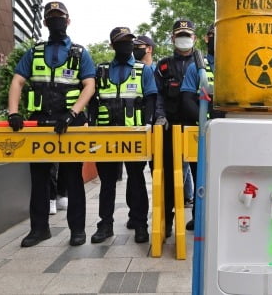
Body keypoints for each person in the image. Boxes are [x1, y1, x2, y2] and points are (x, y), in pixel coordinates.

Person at [7, 1, 96, 247]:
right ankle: (39, 229)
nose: (56, 20)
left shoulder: (79, 53)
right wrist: (14, 113)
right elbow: (17, 82)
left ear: (68, 20)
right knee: (39, 177)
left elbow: (89, 85)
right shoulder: (34, 52)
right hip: (39, 124)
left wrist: (72, 113)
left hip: (71, 123)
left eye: (60, 16)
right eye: (51, 17)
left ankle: (77, 230)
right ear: (46, 22)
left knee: (73, 177)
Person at [89, 27, 157, 244]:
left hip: (134, 135)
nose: (126, 45)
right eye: (121, 42)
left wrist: (147, 124)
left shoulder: (142, 70)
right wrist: (92, 124)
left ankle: (140, 224)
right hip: (106, 135)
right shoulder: (101, 70)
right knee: (107, 182)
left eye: (129, 41)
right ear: (113, 45)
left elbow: (151, 99)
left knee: (136, 181)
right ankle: (105, 224)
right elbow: (92, 100)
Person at [154, 19, 197, 237]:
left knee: (201, 175)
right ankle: (168, 221)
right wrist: (160, 116)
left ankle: (199, 217)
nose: (183, 39)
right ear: (172, 38)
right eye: (180, 35)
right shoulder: (163, 65)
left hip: (196, 126)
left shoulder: (202, 64)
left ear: (194, 38)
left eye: (187, 35)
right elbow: (158, 95)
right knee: (170, 176)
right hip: (171, 126)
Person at [180, 23, 223, 231]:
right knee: (200, 176)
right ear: (207, 38)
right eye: (215, 35)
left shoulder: (235, 62)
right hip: (203, 130)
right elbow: (187, 99)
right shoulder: (197, 66)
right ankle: (199, 217)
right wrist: (205, 120)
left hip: (228, 130)